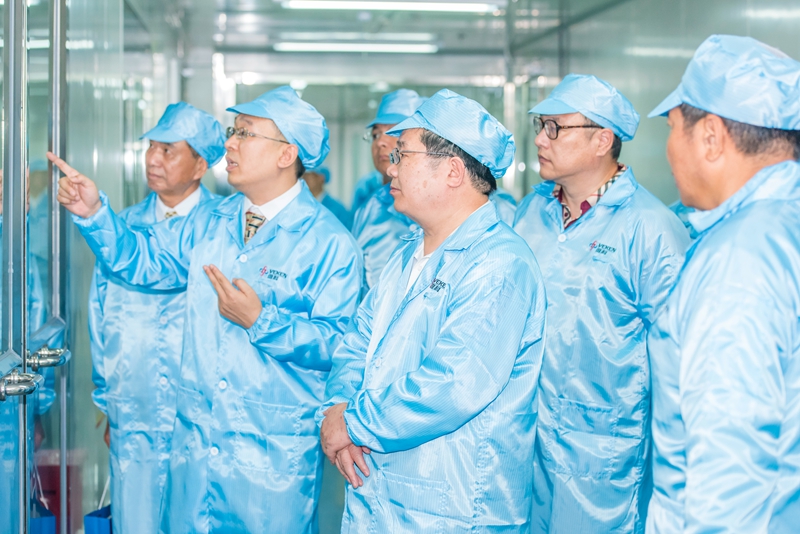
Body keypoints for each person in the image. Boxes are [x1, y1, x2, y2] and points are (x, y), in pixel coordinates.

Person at [51, 85, 363, 533]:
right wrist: (94, 213)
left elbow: (342, 346)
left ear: (286, 153)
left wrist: (262, 321)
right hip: (196, 450)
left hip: (270, 457)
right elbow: (142, 260)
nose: (230, 144)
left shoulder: (330, 243)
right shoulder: (209, 221)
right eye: (234, 131)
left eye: (246, 134)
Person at [318, 89, 547, 532]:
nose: (391, 167)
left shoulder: (500, 265)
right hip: (380, 493)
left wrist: (354, 423)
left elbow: (454, 384)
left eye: (403, 155)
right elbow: (357, 344)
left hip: (452, 507)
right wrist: (340, 408)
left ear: (453, 171)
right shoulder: (407, 255)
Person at [513, 74, 690, 533]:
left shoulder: (651, 229)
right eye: (540, 126)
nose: (540, 140)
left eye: (555, 128)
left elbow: (680, 363)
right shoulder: (531, 213)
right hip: (525, 441)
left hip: (604, 453)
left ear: (602, 140)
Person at [646, 34, 800, 533]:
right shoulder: (783, 226)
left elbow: (731, 462)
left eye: (673, 128)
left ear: (711, 137)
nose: (670, 149)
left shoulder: (740, 258)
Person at [88, 102, 223, 534]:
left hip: (202, 414)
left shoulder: (223, 227)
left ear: (200, 164)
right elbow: (99, 316)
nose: (153, 159)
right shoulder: (122, 227)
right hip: (136, 407)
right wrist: (107, 404)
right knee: (137, 519)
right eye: (151, 147)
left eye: (168, 150)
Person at [351, 89, 426, 288]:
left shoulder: (446, 205)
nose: (381, 142)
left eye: (394, 131)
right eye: (376, 134)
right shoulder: (370, 209)